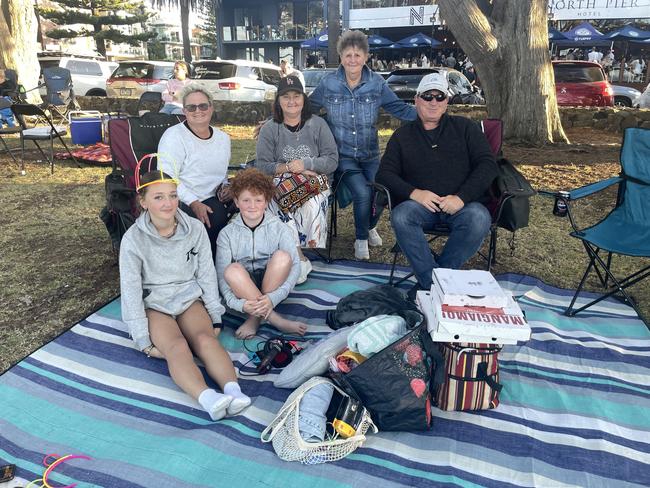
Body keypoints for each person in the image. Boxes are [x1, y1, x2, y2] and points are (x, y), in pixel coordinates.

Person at [119, 169, 251, 421]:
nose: (168, 203)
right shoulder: (133, 240)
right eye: (158, 197)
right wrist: (142, 338)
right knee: (177, 346)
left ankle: (233, 390)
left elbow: (206, 275)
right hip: (155, 304)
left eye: (172, 195)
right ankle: (207, 397)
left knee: (205, 340)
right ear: (143, 201)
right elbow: (131, 289)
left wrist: (215, 315)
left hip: (188, 298)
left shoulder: (194, 229)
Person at [375, 72, 498, 296]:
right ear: (417, 100)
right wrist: (415, 193)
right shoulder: (403, 136)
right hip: (422, 207)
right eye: (427, 96)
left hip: (462, 205)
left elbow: (488, 166)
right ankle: (439, 286)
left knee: (479, 218)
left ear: (446, 102)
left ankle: (431, 285)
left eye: (439, 97)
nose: (433, 102)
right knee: (401, 216)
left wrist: (461, 198)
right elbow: (384, 174)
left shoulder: (465, 128)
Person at [310, 30, 417, 260]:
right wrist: (274, 119)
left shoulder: (377, 83)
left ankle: (369, 226)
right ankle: (360, 239)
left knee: (382, 193)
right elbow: (304, 107)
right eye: (348, 55)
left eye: (357, 55)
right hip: (343, 155)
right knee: (362, 192)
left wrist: (429, 115)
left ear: (366, 57)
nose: (352, 60)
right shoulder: (329, 83)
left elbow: (398, 108)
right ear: (340, 57)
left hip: (369, 153)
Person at [256, 75, 338, 284]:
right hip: (281, 180)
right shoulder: (270, 128)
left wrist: (307, 164)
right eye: (286, 97)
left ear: (304, 98)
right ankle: (298, 257)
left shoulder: (318, 124)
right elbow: (262, 165)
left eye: (296, 96)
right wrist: (290, 168)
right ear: (278, 101)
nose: (291, 101)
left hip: (317, 180)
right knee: (274, 198)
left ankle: (292, 256)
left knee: (309, 201)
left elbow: (332, 160)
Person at [216, 168, 308, 339]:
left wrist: (274, 297)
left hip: (272, 282)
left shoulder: (279, 227)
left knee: (283, 257)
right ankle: (276, 320)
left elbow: (295, 266)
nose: (252, 206)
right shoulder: (227, 234)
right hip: (242, 286)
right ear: (236, 201)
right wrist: (239, 304)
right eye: (246, 200)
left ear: (266, 202)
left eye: (258, 200)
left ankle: (254, 318)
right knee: (231, 270)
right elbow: (222, 276)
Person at [158, 84, 231, 259]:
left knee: (254, 205)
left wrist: (228, 187)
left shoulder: (223, 138)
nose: (198, 110)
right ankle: (209, 269)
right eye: (191, 107)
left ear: (211, 108)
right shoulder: (174, 136)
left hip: (216, 196)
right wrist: (193, 202)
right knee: (215, 217)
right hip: (184, 198)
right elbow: (166, 176)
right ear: (184, 111)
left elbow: (221, 174)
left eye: (203, 106)